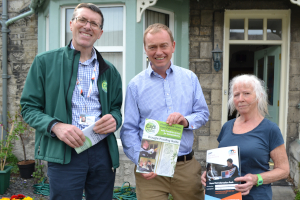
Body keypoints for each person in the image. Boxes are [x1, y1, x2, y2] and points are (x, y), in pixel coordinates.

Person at [20, 3, 122, 200]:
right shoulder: (44, 62)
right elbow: (28, 108)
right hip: (65, 150)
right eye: (82, 20)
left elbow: (116, 108)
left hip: (101, 150)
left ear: (100, 32)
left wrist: (115, 119)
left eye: (94, 23)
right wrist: (56, 126)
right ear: (71, 24)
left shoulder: (110, 70)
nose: (87, 26)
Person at [120, 23, 209, 200]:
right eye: (152, 47)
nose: (158, 52)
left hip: (185, 166)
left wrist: (185, 120)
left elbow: (203, 114)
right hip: (151, 167)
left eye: (163, 45)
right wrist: (142, 161)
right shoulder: (136, 85)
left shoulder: (189, 78)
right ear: (145, 49)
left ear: (173, 46)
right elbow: (129, 130)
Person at [201, 74, 289, 200]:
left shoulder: (270, 129)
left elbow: (283, 170)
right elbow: (222, 162)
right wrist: (211, 174)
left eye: (246, 93)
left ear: (259, 97)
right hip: (224, 197)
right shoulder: (227, 126)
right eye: (236, 95)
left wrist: (256, 179)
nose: (240, 99)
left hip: (255, 196)